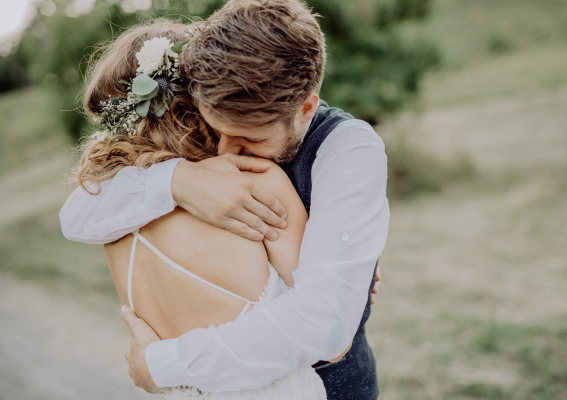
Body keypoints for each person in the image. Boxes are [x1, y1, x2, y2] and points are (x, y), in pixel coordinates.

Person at [60, 0, 390, 399]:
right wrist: (177, 180)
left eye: (251, 138)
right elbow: (74, 216)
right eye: (215, 129)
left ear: (305, 108)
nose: (224, 153)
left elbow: (325, 321)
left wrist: (161, 364)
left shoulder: (348, 148)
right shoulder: (192, 170)